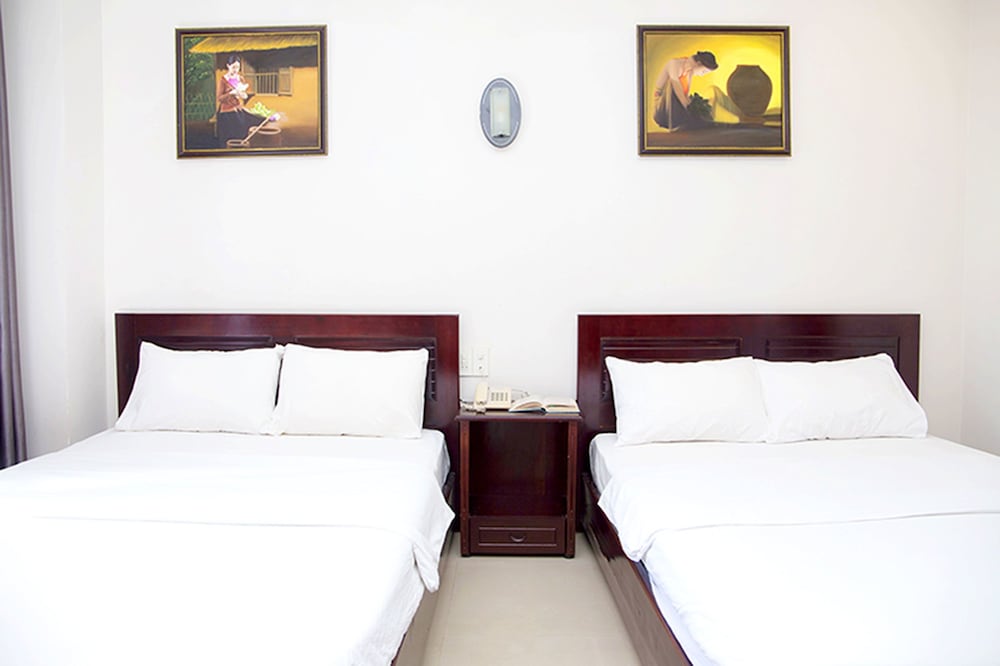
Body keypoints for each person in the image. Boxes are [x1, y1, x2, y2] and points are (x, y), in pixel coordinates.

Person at [652, 51, 718, 131]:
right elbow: (677, 89)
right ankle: (678, 124)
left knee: (693, 103)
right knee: (673, 84)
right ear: (698, 63)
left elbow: (685, 95)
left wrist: (693, 107)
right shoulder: (674, 64)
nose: (702, 75)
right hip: (663, 107)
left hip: (677, 104)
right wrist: (689, 108)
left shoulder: (689, 72)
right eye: (704, 71)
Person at [215, 54, 264, 148]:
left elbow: (245, 96)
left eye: (237, 67)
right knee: (237, 126)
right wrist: (231, 93)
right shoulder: (223, 80)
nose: (235, 70)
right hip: (227, 111)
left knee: (256, 119)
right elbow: (219, 98)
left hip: (238, 108)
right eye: (233, 67)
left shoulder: (240, 78)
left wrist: (242, 95)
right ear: (228, 66)